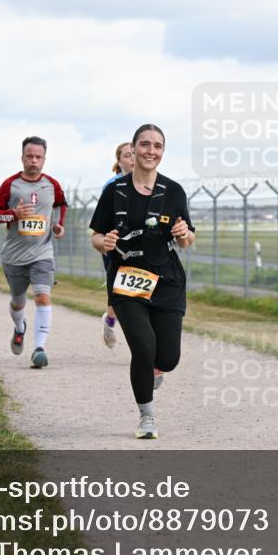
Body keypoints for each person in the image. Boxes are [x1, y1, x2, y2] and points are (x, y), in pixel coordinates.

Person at [89, 124, 195, 439]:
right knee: (144, 347)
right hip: (127, 279)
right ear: (132, 150)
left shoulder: (173, 191)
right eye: (145, 145)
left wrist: (183, 235)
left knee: (168, 358)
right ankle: (146, 416)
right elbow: (96, 235)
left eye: (157, 146)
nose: (151, 151)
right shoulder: (115, 190)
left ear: (162, 152)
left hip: (167, 279)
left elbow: (188, 238)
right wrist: (103, 242)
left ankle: (155, 370)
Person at [0, 136, 67, 368]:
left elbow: (61, 204)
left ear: (44, 159)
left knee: (42, 295)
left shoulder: (52, 184)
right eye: (29, 156)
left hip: (42, 252)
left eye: (38, 157)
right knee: (18, 302)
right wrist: (14, 214)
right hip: (14, 256)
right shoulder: (10, 184)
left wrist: (58, 224)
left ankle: (39, 348)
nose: (33, 161)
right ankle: (19, 327)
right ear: (22, 157)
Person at [99, 142, 136, 348]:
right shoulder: (111, 186)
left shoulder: (149, 183)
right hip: (115, 247)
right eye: (128, 155)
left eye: (134, 154)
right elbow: (102, 221)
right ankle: (111, 320)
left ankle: (141, 346)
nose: (133, 159)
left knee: (135, 294)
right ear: (119, 161)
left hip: (141, 247)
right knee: (121, 292)